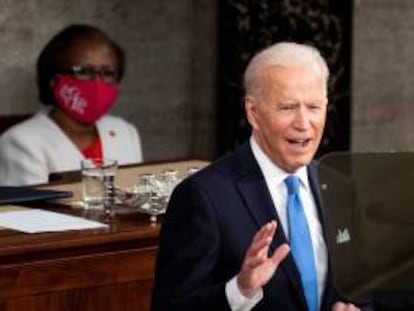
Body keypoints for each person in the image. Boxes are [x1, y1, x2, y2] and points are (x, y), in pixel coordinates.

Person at [151, 42, 360, 311]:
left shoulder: (340, 187)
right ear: (253, 112)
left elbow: (363, 290)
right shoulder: (204, 197)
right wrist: (239, 290)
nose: (303, 123)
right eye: (287, 107)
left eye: (314, 107)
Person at [0, 24, 143, 186]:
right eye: (83, 71)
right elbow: (26, 209)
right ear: (54, 79)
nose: (97, 82)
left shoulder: (125, 131)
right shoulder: (20, 142)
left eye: (108, 73)